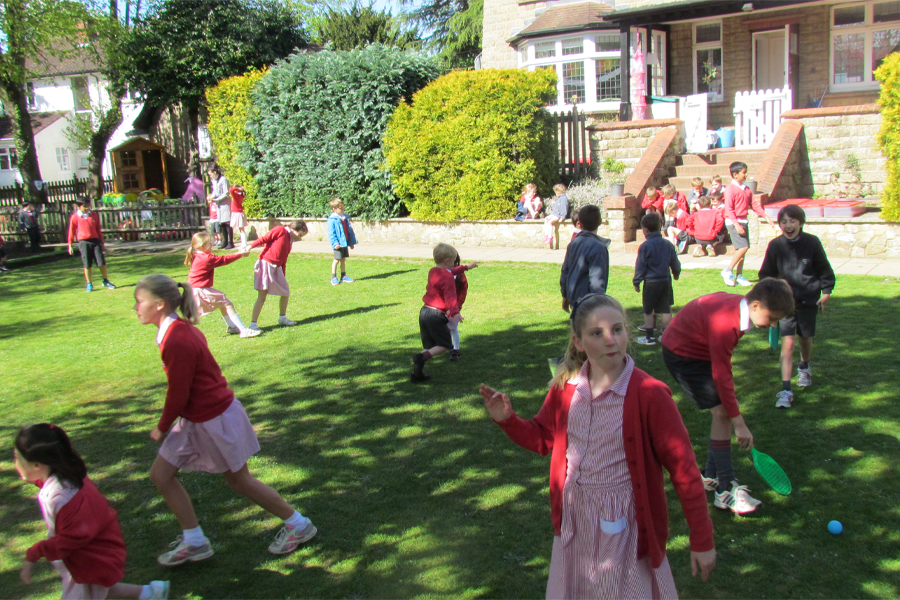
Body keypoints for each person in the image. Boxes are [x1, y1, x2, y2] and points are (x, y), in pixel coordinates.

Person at [480, 293, 716, 599]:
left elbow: (684, 470)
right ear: (578, 342)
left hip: (624, 525)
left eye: (617, 330)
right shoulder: (567, 390)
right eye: (597, 333)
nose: (610, 341)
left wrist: (702, 539)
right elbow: (541, 438)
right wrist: (508, 420)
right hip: (575, 519)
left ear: (627, 333)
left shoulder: (650, 395)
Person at [133, 274, 317, 565]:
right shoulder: (176, 331)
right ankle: (194, 541)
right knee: (161, 475)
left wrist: (161, 426)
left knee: (239, 480)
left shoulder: (177, 338)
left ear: (158, 304)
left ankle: (298, 524)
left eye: (139, 301)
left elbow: (179, 392)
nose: (135, 307)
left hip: (213, 419)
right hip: (196, 420)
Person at [660, 278, 794, 514]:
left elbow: (721, 369)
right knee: (722, 413)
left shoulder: (740, 311)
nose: (773, 325)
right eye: (771, 318)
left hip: (697, 348)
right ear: (755, 307)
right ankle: (725, 489)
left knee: (722, 412)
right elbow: (722, 375)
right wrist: (740, 424)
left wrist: (737, 419)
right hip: (682, 354)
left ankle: (710, 475)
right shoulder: (726, 324)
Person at [14, 423, 170, 600]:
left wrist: (35, 553)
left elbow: (71, 538)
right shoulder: (68, 477)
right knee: (98, 589)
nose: (15, 464)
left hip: (87, 559)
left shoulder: (61, 496)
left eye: (17, 458)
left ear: (37, 465)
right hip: (90, 554)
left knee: (89, 591)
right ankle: (151, 593)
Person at [758, 204, 836, 409]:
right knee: (788, 344)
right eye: (784, 221)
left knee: (805, 339)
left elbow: (824, 269)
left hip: (808, 301)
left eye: (792, 221)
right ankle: (785, 390)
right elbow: (766, 274)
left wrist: (826, 292)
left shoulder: (812, 243)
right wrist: (770, 297)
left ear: (800, 222)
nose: (788, 225)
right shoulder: (775, 246)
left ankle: (804, 366)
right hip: (785, 305)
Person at [184, 232, 261, 338]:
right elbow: (223, 260)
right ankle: (243, 330)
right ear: (202, 246)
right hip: (199, 290)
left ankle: (232, 327)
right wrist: (240, 254)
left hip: (194, 290)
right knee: (226, 303)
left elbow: (222, 259)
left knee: (222, 303)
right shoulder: (206, 258)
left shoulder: (197, 255)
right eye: (209, 244)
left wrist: (238, 253)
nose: (211, 246)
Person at [411, 243, 464, 383]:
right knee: (445, 344)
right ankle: (422, 357)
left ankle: (417, 374)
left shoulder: (433, 270)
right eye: (453, 261)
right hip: (436, 315)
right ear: (447, 261)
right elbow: (450, 296)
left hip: (424, 311)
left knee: (429, 346)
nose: (454, 264)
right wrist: (455, 311)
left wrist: (466, 267)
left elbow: (450, 272)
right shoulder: (447, 278)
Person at [721, 161, 778, 287]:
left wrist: (766, 217)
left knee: (742, 250)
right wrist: (736, 224)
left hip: (743, 221)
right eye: (743, 172)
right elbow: (729, 209)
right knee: (744, 247)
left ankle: (739, 275)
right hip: (734, 221)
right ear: (735, 174)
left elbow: (754, 204)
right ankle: (728, 270)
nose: (746, 175)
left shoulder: (746, 189)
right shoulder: (730, 189)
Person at [247, 220, 308, 330]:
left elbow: (283, 258)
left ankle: (282, 318)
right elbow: (264, 238)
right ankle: (253, 324)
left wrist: (282, 273)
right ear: (295, 230)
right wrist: (250, 246)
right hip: (266, 263)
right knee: (262, 296)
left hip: (277, 267)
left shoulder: (290, 239)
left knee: (285, 292)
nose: (299, 238)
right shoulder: (280, 230)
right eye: (299, 235)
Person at [634, 212, 680, 346]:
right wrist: (676, 273)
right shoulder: (668, 244)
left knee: (648, 309)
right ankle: (666, 334)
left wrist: (637, 281)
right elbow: (674, 262)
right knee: (666, 308)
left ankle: (649, 337)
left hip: (651, 282)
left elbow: (641, 266)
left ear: (645, 230)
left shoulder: (645, 246)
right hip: (665, 280)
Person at [560, 205, 610, 312]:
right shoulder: (598, 248)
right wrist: (598, 304)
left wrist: (565, 294)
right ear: (600, 221)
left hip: (575, 296)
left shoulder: (574, 243)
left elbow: (565, 271)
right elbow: (597, 279)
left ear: (580, 223)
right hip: (588, 302)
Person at [67, 198, 116, 292]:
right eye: (84, 206)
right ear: (79, 207)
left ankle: (106, 280)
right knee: (87, 264)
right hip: (83, 242)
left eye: (88, 205)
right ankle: (89, 283)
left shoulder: (93, 215)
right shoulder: (75, 217)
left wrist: (102, 243)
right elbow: (71, 231)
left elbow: (98, 229)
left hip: (95, 241)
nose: (87, 208)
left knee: (101, 262)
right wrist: (70, 245)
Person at [447, 253, 478, 361]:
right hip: (441, 307)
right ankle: (445, 346)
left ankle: (455, 350)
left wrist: (458, 306)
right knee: (444, 328)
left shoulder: (460, 275)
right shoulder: (442, 273)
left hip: (454, 307)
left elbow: (463, 291)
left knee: (453, 327)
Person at [326, 198, 358, 286]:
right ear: (334, 209)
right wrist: (335, 243)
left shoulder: (344, 218)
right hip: (338, 244)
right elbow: (331, 233)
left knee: (343, 259)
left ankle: (343, 276)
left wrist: (351, 243)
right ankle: (333, 277)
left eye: (343, 208)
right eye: (341, 208)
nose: (343, 210)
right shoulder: (332, 220)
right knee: (336, 260)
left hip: (344, 243)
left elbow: (348, 231)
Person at [207, 166, 232, 249]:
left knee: (227, 223)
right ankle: (224, 242)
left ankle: (230, 242)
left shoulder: (223, 180)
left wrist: (216, 200)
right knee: (222, 223)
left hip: (225, 203)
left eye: (210, 174)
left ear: (214, 172)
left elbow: (226, 193)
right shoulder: (214, 181)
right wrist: (211, 198)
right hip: (219, 205)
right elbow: (215, 191)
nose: (210, 176)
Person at [543, 184, 569, 249]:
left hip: (558, 215)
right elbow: (556, 208)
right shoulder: (559, 199)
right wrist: (554, 203)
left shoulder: (563, 198)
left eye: (557, 192)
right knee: (546, 219)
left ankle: (549, 237)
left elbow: (564, 208)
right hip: (555, 213)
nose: (556, 193)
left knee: (550, 222)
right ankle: (546, 235)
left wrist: (563, 217)